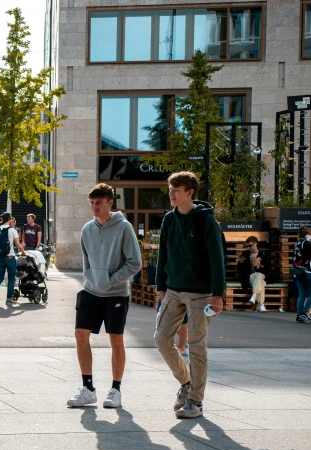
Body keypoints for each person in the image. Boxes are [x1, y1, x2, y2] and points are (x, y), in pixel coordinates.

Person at [155, 172, 225, 419]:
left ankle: (196, 401)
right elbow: (163, 253)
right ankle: (186, 383)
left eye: (176, 190)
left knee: (196, 347)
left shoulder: (206, 222)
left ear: (189, 192)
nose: (171, 194)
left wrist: (218, 294)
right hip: (173, 290)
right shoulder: (169, 220)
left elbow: (217, 259)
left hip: (201, 294)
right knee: (161, 339)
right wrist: (160, 286)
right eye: (170, 189)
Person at [68, 184, 141, 409]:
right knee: (80, 335)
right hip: (90, 290)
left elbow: (135, 263)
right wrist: (90, 277)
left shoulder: (124, 228)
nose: (94, 207)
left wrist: (111, 280)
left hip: (116, 293)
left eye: (99, 203)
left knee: (115, 339)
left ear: (110, 202)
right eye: (91, 203)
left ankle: (116, 390)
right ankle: (88, 389)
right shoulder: (87, 229)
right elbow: (86, 261)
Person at [0, 213, 26, 306]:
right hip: (10, 257)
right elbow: (18, 244)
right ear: (9, 218)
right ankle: (9, 299)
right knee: (11, 279)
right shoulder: (12, 230)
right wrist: (23, 252)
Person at [236, 236, 270, 313]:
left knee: (259, 275)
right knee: (261, 282)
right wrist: (241, 262)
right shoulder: (245, 254)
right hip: (250, 276)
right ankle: (261, 305)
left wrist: (259, 266)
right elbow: (239, 269)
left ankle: (254, 296)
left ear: (256, 244)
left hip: (261, 275)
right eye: (248, 246)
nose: (249, 248)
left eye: (251, 245)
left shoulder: (262, 254)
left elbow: (267, 269)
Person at [291, 226, 311, 323]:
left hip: (296, 270)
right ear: (308, 235)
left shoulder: (297, 243)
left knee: (302, 294)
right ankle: (304, 312)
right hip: (305, 270)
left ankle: (299, 316)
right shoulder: (306, 243)